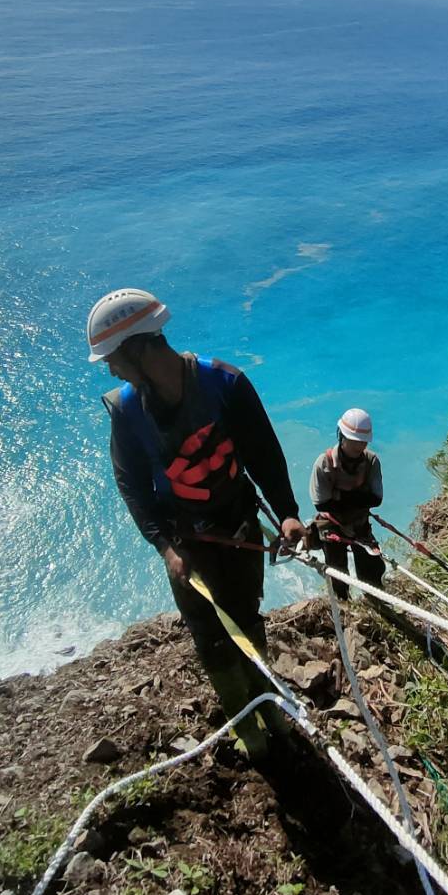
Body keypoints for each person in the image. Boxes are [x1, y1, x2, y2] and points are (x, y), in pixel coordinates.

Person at [88, 288, 305, 760]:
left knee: (248, 619)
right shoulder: (126, 410)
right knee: (210, 639)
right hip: (188, 544)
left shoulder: (225, 383)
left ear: (139, 348)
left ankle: (275, 722)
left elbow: (263, 453)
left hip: (240, 529)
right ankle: (251, 736)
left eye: (113, 358)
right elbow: (134, 488)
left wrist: (287, 512)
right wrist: (166, 547)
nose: (110, 369)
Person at [310, 408, 385, 600]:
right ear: (341, 436)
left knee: (372, 570)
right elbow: (322, 504)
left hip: (359, 523)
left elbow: (376, 499)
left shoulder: (371, 461)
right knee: (338, 574)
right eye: (355, 441)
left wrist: (339, 498)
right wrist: (357, 500)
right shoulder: (324, 463)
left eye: (362, 442)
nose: (359, 446)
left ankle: (376, 603)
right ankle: (343, 605)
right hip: (333, 525)